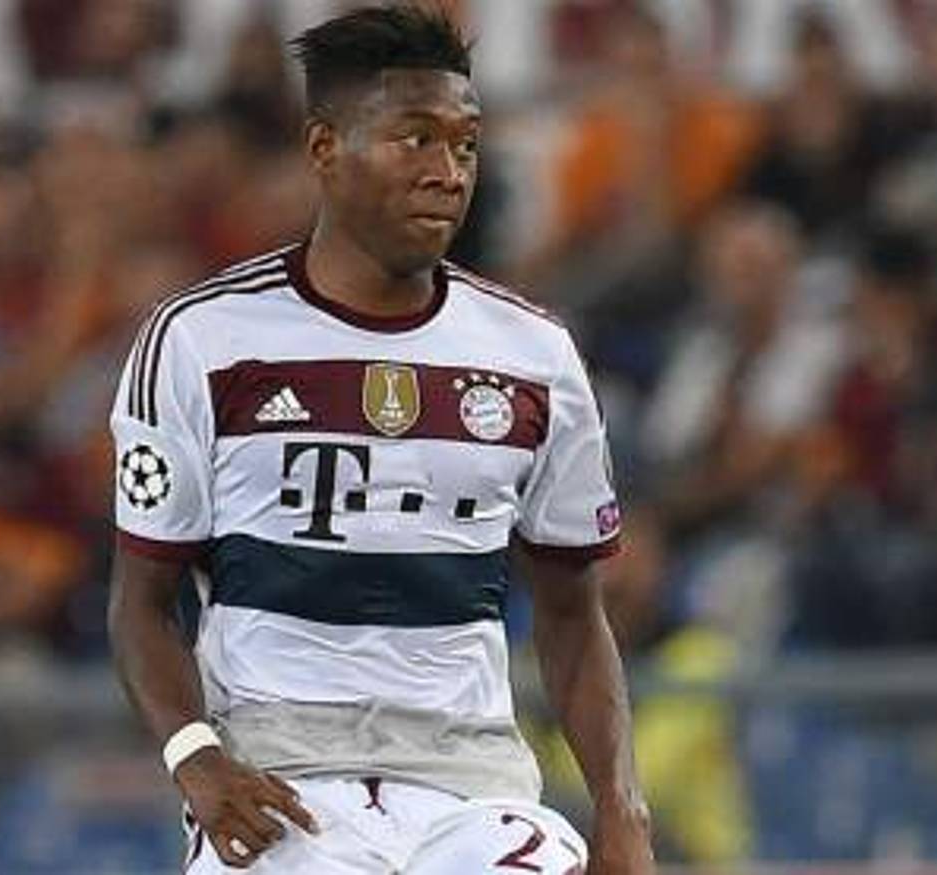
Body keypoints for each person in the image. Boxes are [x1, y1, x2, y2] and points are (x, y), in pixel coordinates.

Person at [106, 5, 653, 874]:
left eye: (466, 145)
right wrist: (196, 759)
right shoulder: (201, 341)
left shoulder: (536, 358)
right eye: (416, 139)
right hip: (278, 782)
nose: (448, 172)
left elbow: (573, 616)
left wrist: (624, 816)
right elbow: (141, 601)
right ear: (325, 147)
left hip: (474, 792)